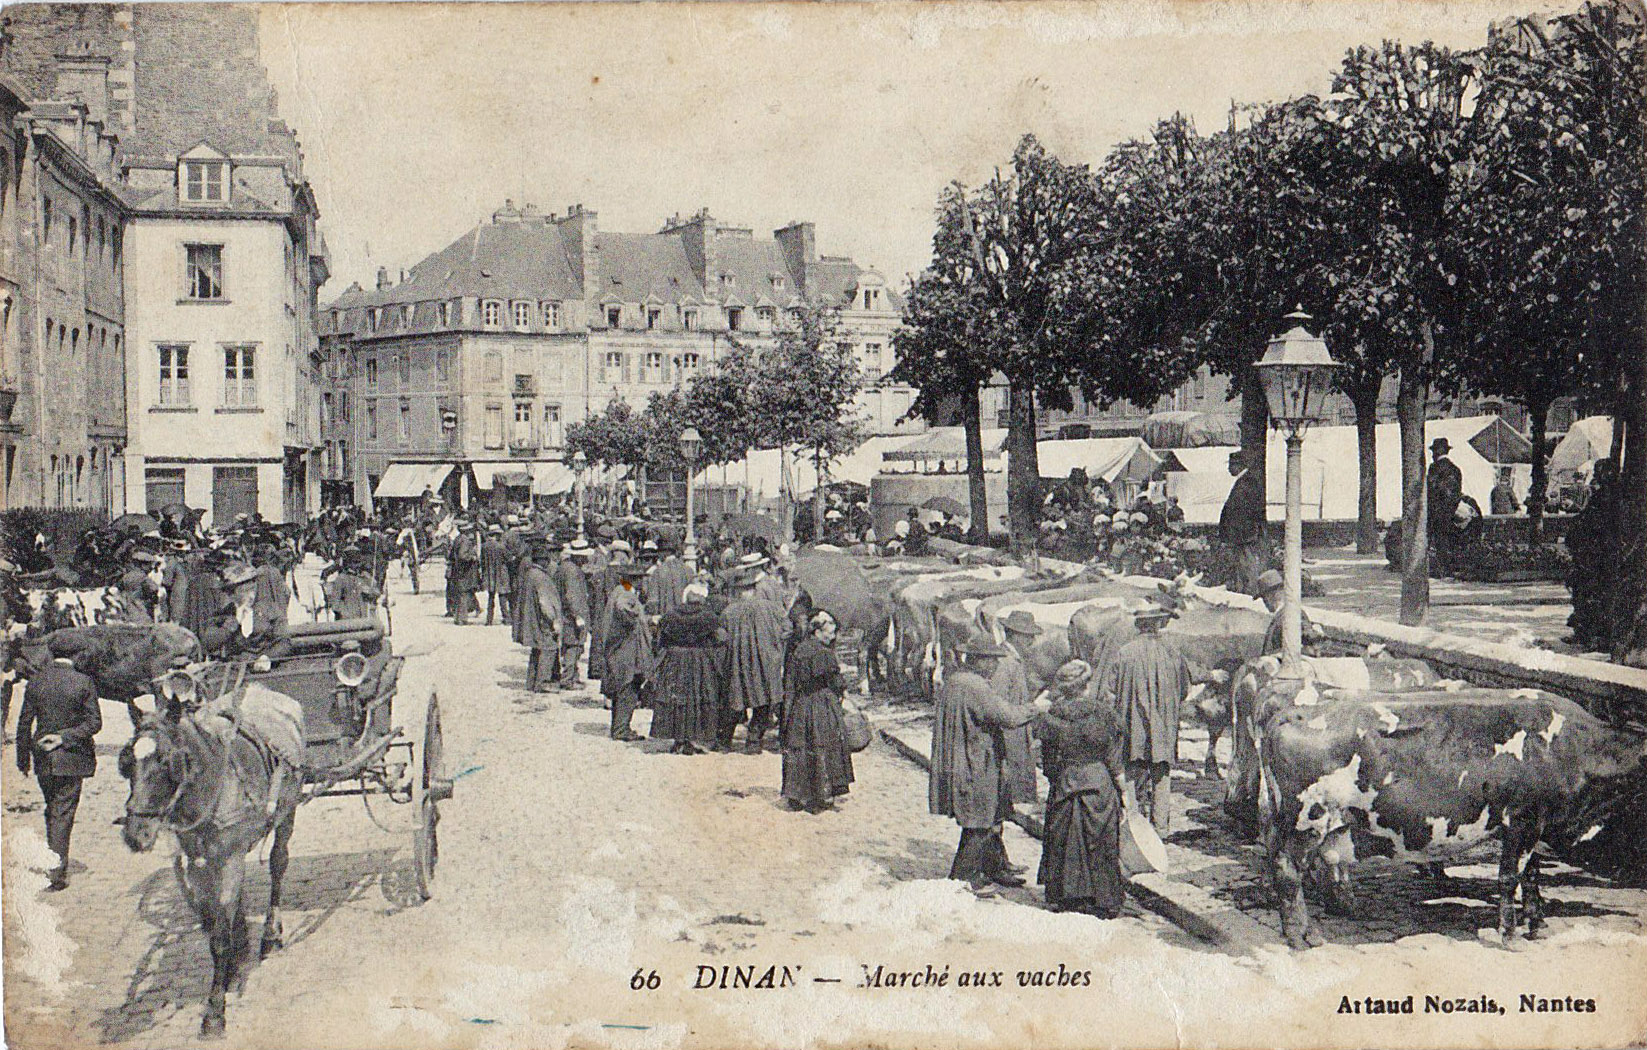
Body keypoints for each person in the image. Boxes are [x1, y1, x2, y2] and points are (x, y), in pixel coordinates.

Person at [929, 635, 1047, 894]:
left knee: (988, 816)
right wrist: (1036, 707)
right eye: (992, 661)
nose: (995, 666)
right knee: (979, 822)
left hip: (962, 759)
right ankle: (963, 879)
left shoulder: (956, 680)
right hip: (975, 763)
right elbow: (1008, 716)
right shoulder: (975, 686)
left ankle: (993, 867)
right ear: (979, 661)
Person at [1099, 602, 1219, 834]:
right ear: (1158, 624)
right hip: (1163, 726)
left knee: (1131, 773)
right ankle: (1160, 827)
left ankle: (1132, 825)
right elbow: (1185, 686)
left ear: (1139, 625)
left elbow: (1109, 692)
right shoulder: (1171, 651)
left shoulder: (1124, 653)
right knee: (1161, 775)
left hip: (1132, 724)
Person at [1036, 659, 1126, 918]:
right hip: (1098, 783)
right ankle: (1103, 899)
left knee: (1064, 839)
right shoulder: (1104, 714)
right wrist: (1124, 792)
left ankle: (1067, 896)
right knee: (1101, 840)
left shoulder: (1052, 716)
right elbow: (1114, 759)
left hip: (1066, 782)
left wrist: (1058, 777)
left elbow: (1048, 761)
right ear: (1087, 685)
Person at [16, 654, 101, 891]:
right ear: (75, 657)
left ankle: (53, 857)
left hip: (42, 756)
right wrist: (63, 737)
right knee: (62, 813)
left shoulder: (36, 681)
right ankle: (56, 872)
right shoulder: (83, 681)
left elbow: (24, 723)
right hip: (72, 758)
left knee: (53, 808)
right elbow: (94, 723)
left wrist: (23, 760)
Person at [780, 611, 855, 813]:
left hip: (801, 705)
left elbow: (790, 682)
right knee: (823, 745)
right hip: (821, 704)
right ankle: (820, 795)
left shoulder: (798, 650)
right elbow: (835, 682)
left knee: (801, 746)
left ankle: (797, 795)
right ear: (817, 632)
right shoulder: (824, 653)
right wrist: (843, 691)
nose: (833, 636)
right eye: (829, 633)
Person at [720, 572, 790, 753]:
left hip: (738, 664)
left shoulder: (729, 612)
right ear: (754, 589)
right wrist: (774, 644)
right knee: (763, 701)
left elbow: (721, 638)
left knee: (735, 701)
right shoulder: (772, 608)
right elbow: (787, 630)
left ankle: (724, 741)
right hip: (765, 664)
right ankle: (753, 741)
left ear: (739, 591)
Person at [652, 583, 724, 754]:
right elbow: (719, 639)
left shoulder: (670, 615)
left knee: (677, 699)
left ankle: (678, 740)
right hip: (700, 660)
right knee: (697, 697)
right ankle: (693, 739)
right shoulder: (709, 617)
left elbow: (660, 640)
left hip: (675, 660)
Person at [1566, 458, 1618, 651]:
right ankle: (1587, 633)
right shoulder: (1603, 495)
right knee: (1587, 592)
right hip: (1593, 554)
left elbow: (1591, 522)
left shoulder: (1608, 497)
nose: (1596, 477)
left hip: (1599, 555)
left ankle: (1594, 635)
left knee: (1593, 593)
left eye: (1599, 473)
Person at [601, 564, 652, 741]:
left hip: (620, 648)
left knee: (622, 688)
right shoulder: (626, 594)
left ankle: (619, 727)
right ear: (634, 580)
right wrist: (636, 618)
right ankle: (621, 729)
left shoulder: (619, 591)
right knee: (628, 688)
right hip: (626, 649)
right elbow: (623, 609)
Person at [513, 537, 563, 693]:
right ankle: (542, 682)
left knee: (536, 650)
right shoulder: (542, 578)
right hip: (542, 622)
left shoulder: (529, 574)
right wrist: (554, 620)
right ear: (542, 561)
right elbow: (545, 603)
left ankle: (531, 682)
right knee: (549, 649)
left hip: (532, 620)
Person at [1218, 449, 1266, 594]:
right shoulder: (1245, 481)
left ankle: (1251, 592)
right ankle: (1246, 591)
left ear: (1238, 466)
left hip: (1243, 534)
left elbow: (1240, 512)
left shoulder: (1246, 483)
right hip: (1242, 533)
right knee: (1242, 564)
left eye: (1230, 465)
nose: (1228, 469)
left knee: (1246, 564)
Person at [1255, 569, 1322, 657]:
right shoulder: (1285, 614)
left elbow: (1307, 645)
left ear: (1272, 595)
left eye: (1264, 597)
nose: (1264, 602)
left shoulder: (1290, 614)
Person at [554, 539, 593, 691]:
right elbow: (572, 596)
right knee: (574, 646)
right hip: (572, 615)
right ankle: (568, 679)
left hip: (565, 613)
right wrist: (578, 616)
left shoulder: (564, 567)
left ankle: (573, 676)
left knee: (570, 646)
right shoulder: (573, 572)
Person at [1426, 437, 1464, 577]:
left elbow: (1430, 489)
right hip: (1451, 510)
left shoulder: (1434, 468)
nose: (1432, 455)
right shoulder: (1456, 469)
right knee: (1449, 540)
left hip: (1436, 510)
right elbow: (1457, 492)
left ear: (1437, 452)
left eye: (1433, 452)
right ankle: (1449, 569)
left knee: (1436, 540)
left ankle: (1439, 569)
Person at [447, 520, 481, 625]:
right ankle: (462, 619)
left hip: (457, 570)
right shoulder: (466, 541)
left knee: (460, 594)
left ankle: (458, 618)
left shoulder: (457, 539)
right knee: (464, 595)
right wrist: (472, 557)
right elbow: (462, 556)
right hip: (465, 571)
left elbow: (451, 556)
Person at [481, 524, 511, 626]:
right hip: (501, 573)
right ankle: (506, 618)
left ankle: (489, 620)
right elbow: (508, 558)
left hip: (489, 573)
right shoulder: (500, 546)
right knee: (502, 596)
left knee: (491, 597)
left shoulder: (484, 546)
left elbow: (482, 561)